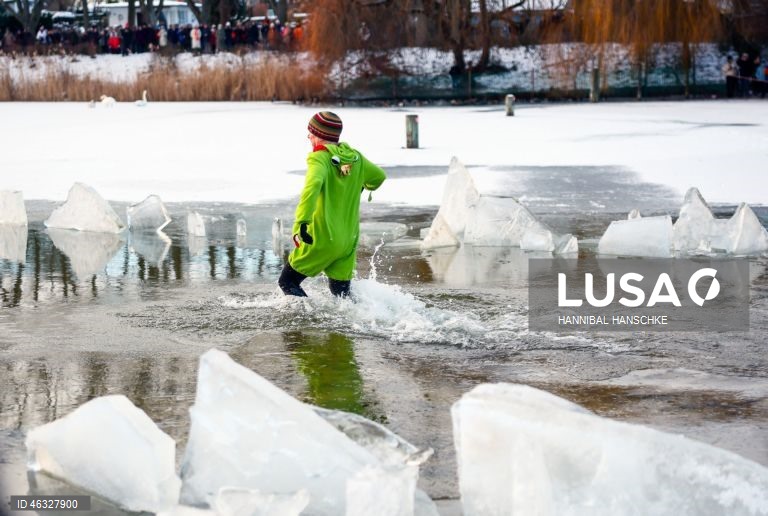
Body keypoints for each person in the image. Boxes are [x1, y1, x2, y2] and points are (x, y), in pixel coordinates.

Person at [278, 112, 387, 298]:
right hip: (348, 241)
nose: (308, 136)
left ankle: (310, 316)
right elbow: (378, 177)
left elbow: (312, 188)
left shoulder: (319, 158)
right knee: (341, 295)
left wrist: (301, 223)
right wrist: (359, 186)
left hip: (322, 237)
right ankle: (360, 315)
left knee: (287, 282)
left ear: (319, 135)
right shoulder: (356, 158)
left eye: (311, 132)